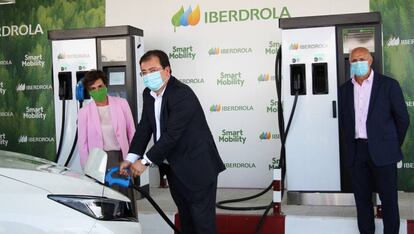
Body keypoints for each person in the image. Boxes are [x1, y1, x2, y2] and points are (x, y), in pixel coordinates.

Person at [120, 50, 226, 234]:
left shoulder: (182, 94)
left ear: (167, 70)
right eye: (143, 72)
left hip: (197, 167)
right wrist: (130, 158)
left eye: (152, 70)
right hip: (175, 168)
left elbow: (172, 135)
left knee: (202, 224)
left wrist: (144, 161)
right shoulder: (148, 94)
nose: (148, 76)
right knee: (186, 219)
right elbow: (144, 127)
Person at [339, 47, 410, 234]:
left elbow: (402, 119)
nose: (357, 63)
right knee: (362, 201)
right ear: (349, 63)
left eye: (361, 59)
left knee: (388, 201)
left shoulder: (388, 85)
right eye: (353, 60)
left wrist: (391, 144)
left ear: (370, 61)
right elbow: (345, 122)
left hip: (384, 153)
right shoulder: (345, 90)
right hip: (357, 153)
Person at [77, 69, 137, 214]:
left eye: (99, 86)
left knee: (124, 198)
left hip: (122, 158)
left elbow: (132, 133)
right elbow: (82, 144)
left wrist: (133, 159)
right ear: (88, 91)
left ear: (106, 86)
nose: (97, 90)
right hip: (98, 162)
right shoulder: (84, 112)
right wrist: (88, 170)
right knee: (105, 201)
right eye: (92, 89)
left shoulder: (122, 104)